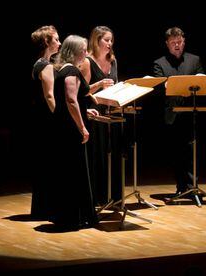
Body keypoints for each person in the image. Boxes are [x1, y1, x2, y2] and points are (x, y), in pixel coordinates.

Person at [52, 35, 98, 229]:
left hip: (63, 125)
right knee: (75, 171)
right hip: (70, 128)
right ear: (76, 51)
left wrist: (85, 110)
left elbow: (68, 101)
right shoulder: (70, 70)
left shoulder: (62, 69)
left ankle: (68, 215)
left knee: (68, 171)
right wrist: (82, 127)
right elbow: (71, 101)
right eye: (84, 50)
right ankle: (74, 217)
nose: (86, 53)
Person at [153, 27, 204, 196]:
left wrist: (200, 80)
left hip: (191, 113)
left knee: (192, 151)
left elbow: (202, 79)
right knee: (176, 152)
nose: (177, 45)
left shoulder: (194, 60)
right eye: (173, 42)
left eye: (180, 42)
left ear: (184, 42)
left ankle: (192, 187)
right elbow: (159, 86)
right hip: (172, 114)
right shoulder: (159, 63)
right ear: (167, 44)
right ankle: (181, 187)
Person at [80, 26, 121, 206]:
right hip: (94, 114)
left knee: (113, 153)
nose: (109, 44)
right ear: (96, 41)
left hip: (111, 112)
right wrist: (100, 84)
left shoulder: (113, 60)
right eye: (106, 40)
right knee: (98, 154)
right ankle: (97, 197)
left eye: (111, 40)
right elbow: (82, 90)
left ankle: (113, 195)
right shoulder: (88, 61)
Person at [30, 25, 61, 220]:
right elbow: (50, 96)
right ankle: (48, 208)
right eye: (56, 39)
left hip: (40, 120)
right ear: (47, 43)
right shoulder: (46, 66)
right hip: (48, 121)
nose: (59, 42)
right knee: (50, 163)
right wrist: (60, 118)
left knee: (44, 164)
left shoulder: (38, 63)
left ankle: (42, 208)